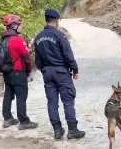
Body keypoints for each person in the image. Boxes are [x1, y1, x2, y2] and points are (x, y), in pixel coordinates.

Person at [34, 8, 85, 140]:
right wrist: (75, 69)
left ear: (46, 20)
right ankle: (72, 130)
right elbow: (68, 54)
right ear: (56, 21)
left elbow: (37, 60)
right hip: (61, 72)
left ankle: (57, 130)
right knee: (68, 101)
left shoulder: (38, 37)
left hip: (47, 72)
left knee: (52, 102)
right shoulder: (59, 35)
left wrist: (44, 70)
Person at [0, 14, 38, 130]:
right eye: (19, 25)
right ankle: (24, 121)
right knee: (21, 97)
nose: (21, 27)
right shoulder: (18, 40)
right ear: (14, 26)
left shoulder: (2, 40)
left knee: (8, 94)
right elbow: (26, 58)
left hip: (7, 72)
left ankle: (7, 119)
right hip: (18, 72)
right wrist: (28, 71)